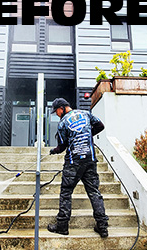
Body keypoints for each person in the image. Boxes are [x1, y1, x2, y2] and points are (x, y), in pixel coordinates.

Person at [46, 98, 109, 238]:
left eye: (56, 111)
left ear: (62, 108)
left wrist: (55, 150)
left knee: (66, 192)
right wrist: (86, 135)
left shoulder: (63, 123)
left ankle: (62, 226)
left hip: (73, 162)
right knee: (94, 192)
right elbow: (100, 126)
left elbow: (62, 146)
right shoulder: (85, 113)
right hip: (90, 159)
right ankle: (102, 226)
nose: (56, 114)